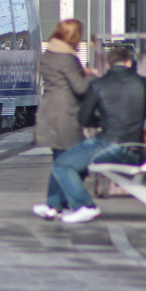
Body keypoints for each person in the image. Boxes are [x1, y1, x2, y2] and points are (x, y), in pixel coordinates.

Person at [48, 45, 146, 224]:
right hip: (136, 150)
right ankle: (67, 204)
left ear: (108, 65)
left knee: (62, 165)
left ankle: (83, 206)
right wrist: (144, 115)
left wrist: (102, 122)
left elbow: (83, 119)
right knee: (77, 160)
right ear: (129, 62)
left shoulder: (98, 85)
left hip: (107, 145)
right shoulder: (144, 83)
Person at [32, 19, 97, 220]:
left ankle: (55, 205)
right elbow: (81, 88)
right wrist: (91, 75)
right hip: (66, 114)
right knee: (73, 161)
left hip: (49, 111)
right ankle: (76, 203)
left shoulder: (47, 56)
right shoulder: (68, 59)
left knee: (61, 159)